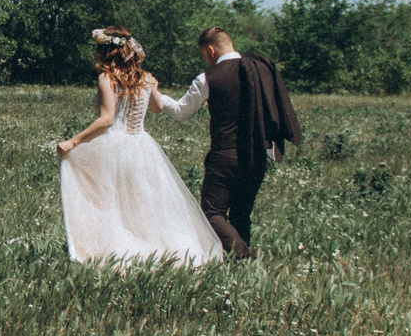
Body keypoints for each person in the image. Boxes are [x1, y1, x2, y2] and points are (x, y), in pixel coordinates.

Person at [53, 27, 224, 265]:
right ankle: (155, 248)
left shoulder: (107, 78)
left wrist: (73, 141)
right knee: (143, 203)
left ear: (106, 51)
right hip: (142, 146)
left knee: (112, 202)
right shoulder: (144, 78)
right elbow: (158, 108)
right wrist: (154, 87)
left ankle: (120, 250)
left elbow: (107, 119)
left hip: (114, 146)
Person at [157, 26, 300, 260]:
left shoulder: (208, 78)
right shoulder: (260, 70)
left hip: (225, 156)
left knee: (212, 213)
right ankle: (239, 268)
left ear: (210, 50)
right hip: (257, 154)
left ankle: (244, 256)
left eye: (204, 54)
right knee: (242, 214)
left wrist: (157, 94)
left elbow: (181, 112)